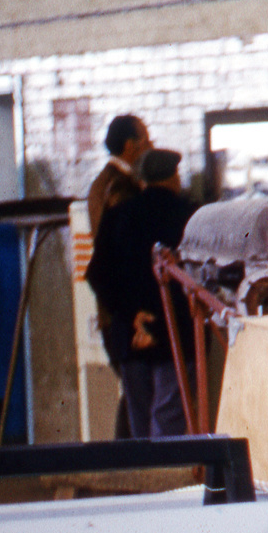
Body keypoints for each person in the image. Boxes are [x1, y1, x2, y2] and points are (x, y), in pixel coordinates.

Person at [85, 148, 196, 438]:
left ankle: (145, 480)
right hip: (177, 332)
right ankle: (166, 481)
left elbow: (96, 274)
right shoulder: (190, 215)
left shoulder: (119, 215)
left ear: (143, 180)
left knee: (140, 421)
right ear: (174, 177)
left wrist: (128, 313)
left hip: (131, 334)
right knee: (169, 418)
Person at [88, 115, 151, 235]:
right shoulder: (119, 184)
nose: (150, 148)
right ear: (129, 146)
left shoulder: (104, 180)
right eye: (146, 142)